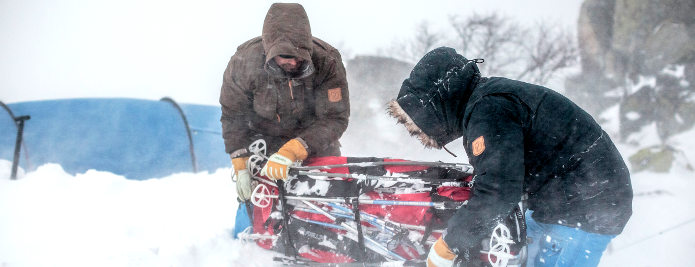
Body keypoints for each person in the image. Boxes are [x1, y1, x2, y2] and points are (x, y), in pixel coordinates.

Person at [387, 47, 632, 267]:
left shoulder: (489, 111)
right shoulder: (487, 101)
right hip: (567, 204)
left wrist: (448, 246)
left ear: (436, 104)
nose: (420, 133)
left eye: (420, 120)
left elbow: (498, 190)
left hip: (582, 211)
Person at [219, 3, 349, 202]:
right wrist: (240, 162)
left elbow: (335, 118)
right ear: (269, 47)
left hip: (315, 144)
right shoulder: (243, 63)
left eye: (299, 56)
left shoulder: (327, 62)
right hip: (264, 144)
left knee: (328, 202)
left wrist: (295, 149)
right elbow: (233, 115)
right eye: (286, 57)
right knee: (265, 210)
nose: (294, 62)